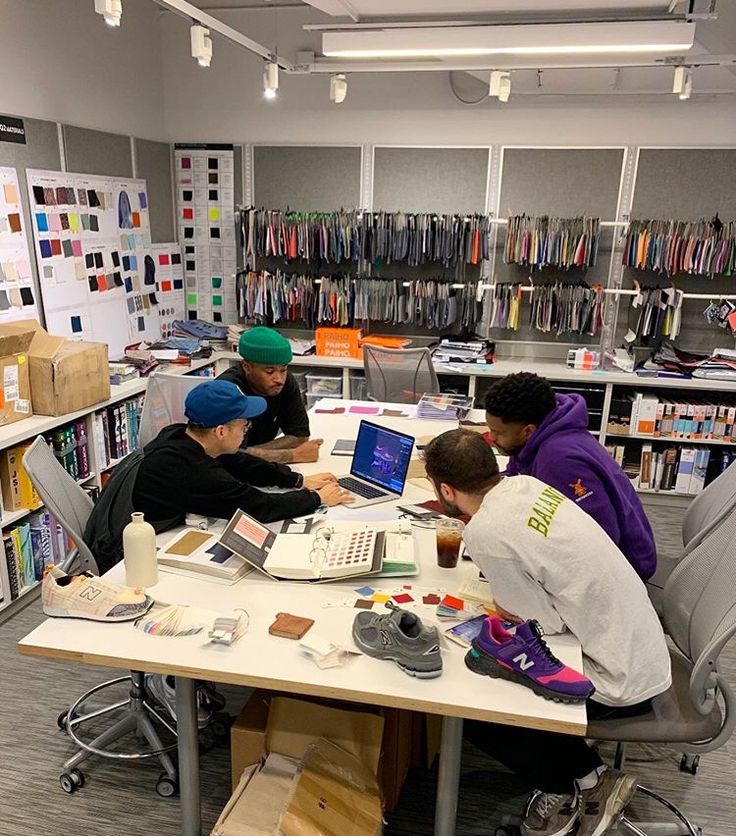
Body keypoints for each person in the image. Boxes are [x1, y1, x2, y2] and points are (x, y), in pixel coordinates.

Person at [423, 429, 671, 836]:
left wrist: (506, 600)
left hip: (615, 674)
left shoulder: (486, 530)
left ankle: (566, 786)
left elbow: (542, 627)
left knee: (474, 706)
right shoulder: (525, 486)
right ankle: (591, 779)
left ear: (446, 491)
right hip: (640, 641)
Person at [84, 380, 353, 572]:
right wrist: (316, 498)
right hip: (124, 559)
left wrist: (297, 480)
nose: (247, 429)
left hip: (131, 530)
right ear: (221, 431)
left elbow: (238, 461)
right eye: (244, 424)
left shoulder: (179, 434)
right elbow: (260, 507)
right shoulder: (191, 471)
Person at [484, 372, 656, 581]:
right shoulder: (541, 432)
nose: (492, 439)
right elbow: (516, 473)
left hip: (619, 573)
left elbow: (598, 539)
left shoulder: (559, 460)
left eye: (498, 433)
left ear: (528, 431)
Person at [217, 326, 321, 464]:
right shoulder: (227, 392)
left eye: (283, 369)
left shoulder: (285, 381)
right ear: (247, 367)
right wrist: (293, 455)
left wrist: (251, 454)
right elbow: (225, 457)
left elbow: (299, 435)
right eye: (269, 371)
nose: (279, 379)